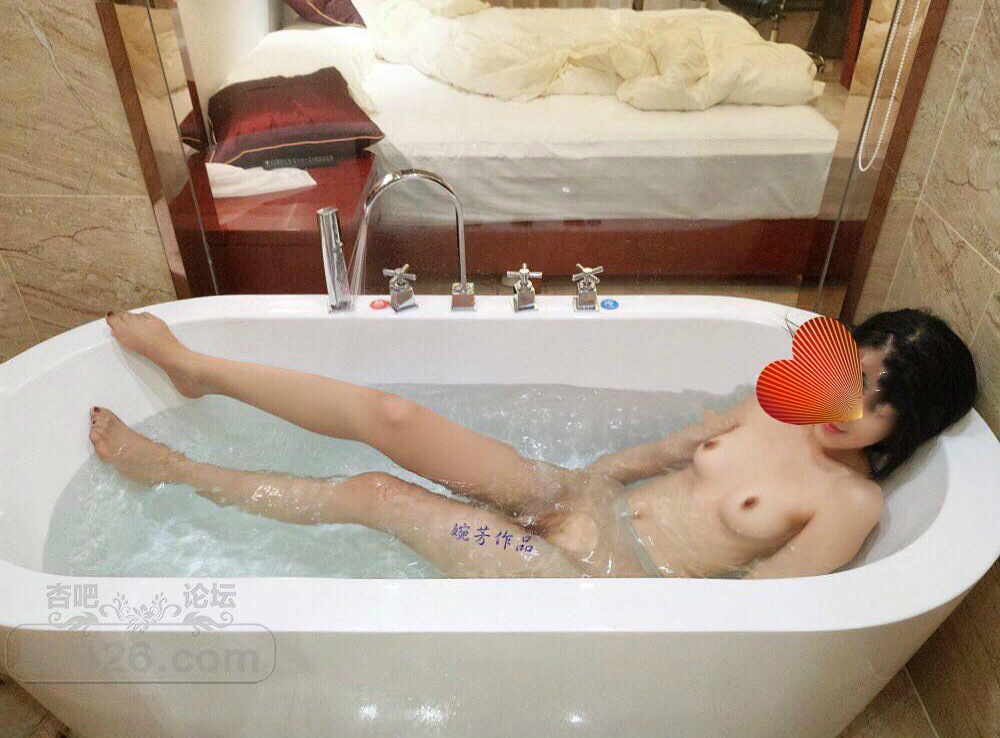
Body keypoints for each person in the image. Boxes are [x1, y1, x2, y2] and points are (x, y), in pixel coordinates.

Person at [89, 308, 976, 579]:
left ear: (910, 423)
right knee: (392, 417)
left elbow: (755, 617)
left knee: (374, 494)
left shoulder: (849, 501)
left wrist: (606, 555)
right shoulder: (770, 405)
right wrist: (584, 485)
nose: (847, 401)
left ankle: (173, 468)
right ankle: (198, 368)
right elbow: (661, 454)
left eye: (878, 400)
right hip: (573, 502)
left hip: (600, 585)